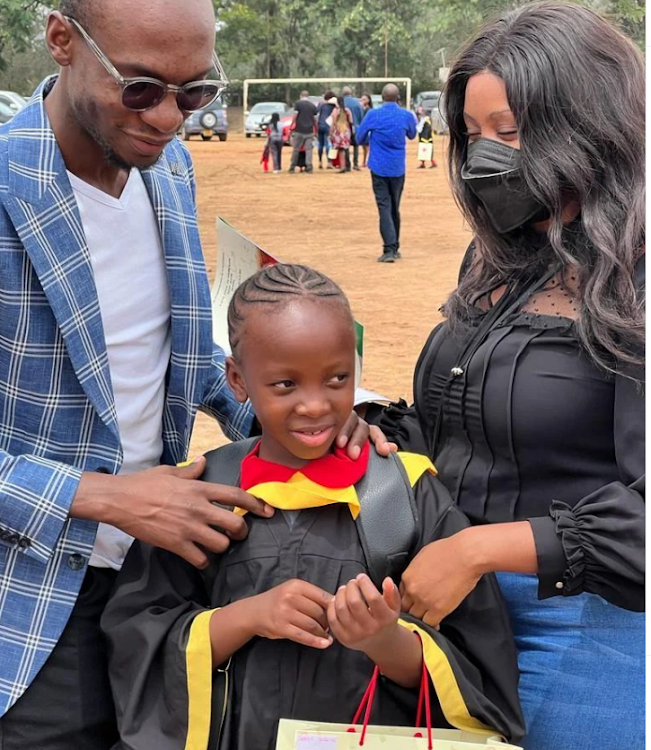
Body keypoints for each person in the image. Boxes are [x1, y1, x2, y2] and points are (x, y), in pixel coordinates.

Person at [0, 3, 385, 747]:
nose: (172, 118)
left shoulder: (165, 169)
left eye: (197, 92)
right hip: (31, 604)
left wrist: (311, 416)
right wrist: (104, 498)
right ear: (60, 41)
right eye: (141, 88)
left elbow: (177, 354)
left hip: (162, 592)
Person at [102, 263, 525, 750]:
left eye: (337, 378)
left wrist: (384, 641)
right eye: (285, 385)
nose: (314, 405)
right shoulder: (203, 497)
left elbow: (480, 659)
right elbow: (138, 640)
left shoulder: (403, 494)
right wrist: (247, 617)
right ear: (237, 381)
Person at [376, 4, 645, 749]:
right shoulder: (496, 259)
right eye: (471, 133)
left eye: (511, 130)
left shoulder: (636, 281)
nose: (483, 155)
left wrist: (478, 549)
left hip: (582, 640)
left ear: (586, 123)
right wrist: (366, 425)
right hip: (457, 629)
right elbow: (463, 425)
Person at [355, 83, 417, 263]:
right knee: (394, 207)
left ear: (381, 98)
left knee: (384, 207)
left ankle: (389, 249)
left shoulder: (373, 115)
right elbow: (412, 135)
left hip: (379, 167)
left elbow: (359, 138)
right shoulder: (406, 115)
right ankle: (395, 246)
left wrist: (373, 138)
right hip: (398, 168)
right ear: (398, 98)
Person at [289, 89, 317, 174]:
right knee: (309, 150)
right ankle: (309, 166)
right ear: (308, 96)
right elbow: (314, 119)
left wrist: (292, 124)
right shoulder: (312, 106)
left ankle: (292, 167)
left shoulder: (298, 104)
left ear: (301, 96)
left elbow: (295, 115)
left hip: (299, 130)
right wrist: (316, 129)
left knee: (296, 149)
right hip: (309, 131)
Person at [342, 85, 364, 170]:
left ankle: (347, 164)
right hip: (355, 126)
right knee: (356, 145)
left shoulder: (341, 103)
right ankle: (356, 163)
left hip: (344, 127)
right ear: (351, 93)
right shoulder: (357, 103)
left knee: (346, 145)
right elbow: (361, 115)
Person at [330, 95, 354, 173]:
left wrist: (331, 133)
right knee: (346, 148)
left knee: (340, 149)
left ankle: (342, 166)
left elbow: (333, 123)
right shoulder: (347, 110)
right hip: (346, 131)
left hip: (339, 131)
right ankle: (348, 165)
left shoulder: (335, 111)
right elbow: (351, 121)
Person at [316, 89, 337, 169]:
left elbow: (317, 112)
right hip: (328, 125)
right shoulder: (333, 105)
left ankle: (320, 161)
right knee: (330, 144)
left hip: (320, 124)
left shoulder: (321, 104)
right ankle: (329, 162)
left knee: (320, 144)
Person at [359, 92, 373, 168]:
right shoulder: (361, 109)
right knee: (364, 146)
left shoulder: (369, 110)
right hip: (364, 129)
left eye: (364, 99)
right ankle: (364, 161)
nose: (362, 101)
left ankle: (366, 161)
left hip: (368, 130)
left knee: (367, 146)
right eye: (361, 99)